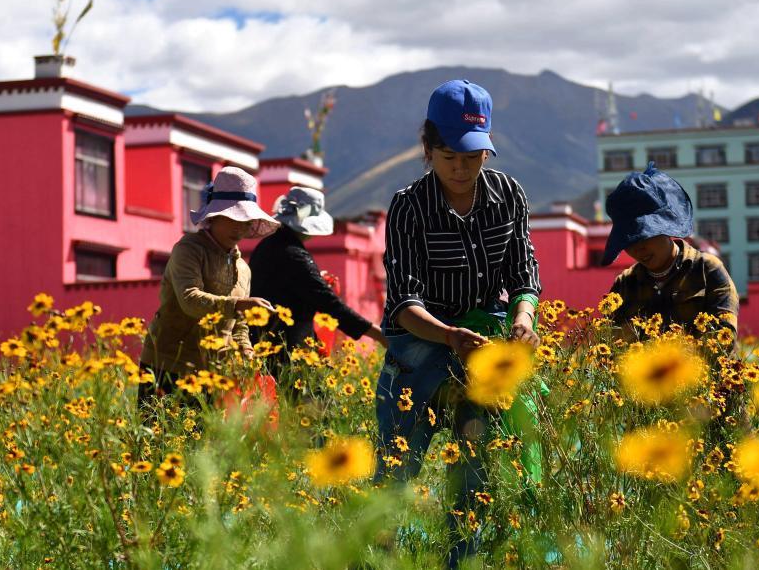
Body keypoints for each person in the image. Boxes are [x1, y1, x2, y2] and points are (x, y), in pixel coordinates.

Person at [374, 79, 541, 567]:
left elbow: (524, 272)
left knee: (475, 467)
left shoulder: (508, 194)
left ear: (487, 150)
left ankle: (461, 560)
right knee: (396, 469)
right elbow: (403, 301)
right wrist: (448, 335)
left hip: (484, 339)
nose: (461, 168)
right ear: (428, 149)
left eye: (473, 156)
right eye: (449, 156)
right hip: (421, 340)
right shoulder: (409, 205)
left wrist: (523, 319)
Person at [138, 166, 279, 411]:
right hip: (168, 363)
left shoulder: (243, 269)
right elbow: (190, 299)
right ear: (214, 217)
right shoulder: (189, 249)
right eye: (233, 218)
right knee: (161, 432)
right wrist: (238, 305)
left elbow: (239, 324)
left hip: (213, 372)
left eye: (245, 221)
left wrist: (246, 350)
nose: (239, 227)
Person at [248, 185, 388, 379]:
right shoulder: (295, 255)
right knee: (309, 397)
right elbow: (330, 304)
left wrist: (313, 281)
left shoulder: (267, 246)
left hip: (265, 342)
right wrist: (378, 334)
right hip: (290, 350)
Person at [600, 162, 739, 340]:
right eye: (629, 241)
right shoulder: (624, 285)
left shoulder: (707, 270)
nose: (638, 248)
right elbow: (610, 345)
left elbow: (724, 337)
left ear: (665, 228)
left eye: (645, 236)